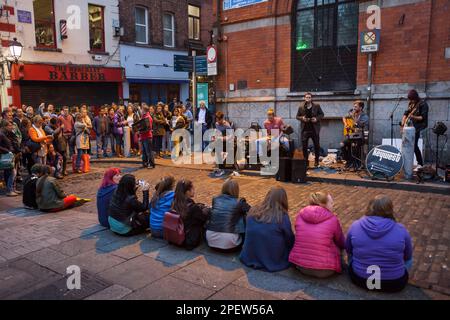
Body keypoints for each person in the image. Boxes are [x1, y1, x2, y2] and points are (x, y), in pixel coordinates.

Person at [346, 195, 413, 293]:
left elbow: (348, 249)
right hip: (394, 283)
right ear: (390, 210)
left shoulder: (355, 225)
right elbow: (408, 256)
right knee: (410, 259)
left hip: (360, 279)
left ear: (369, 208)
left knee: (352, 254)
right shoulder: (401, 229)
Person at [289, 192, 345, 278]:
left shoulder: (300, 215)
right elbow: (340, 241)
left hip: (301, 266)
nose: (333, 205)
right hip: (325, 270)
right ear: (323, 204)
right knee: (339, 248)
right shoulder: (333, 219)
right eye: (331, 203)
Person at [239, 187, 294, 272]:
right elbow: (289, 238)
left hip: (249, 255)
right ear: (283, 200)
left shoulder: (253, 210)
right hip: (272, 259)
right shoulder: (281, 216)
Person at [206, 179, 250, 252]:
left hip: (211, 242)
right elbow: (252, 211)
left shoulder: (215, 199)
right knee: (244, 215)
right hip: (230, 244)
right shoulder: (240, 202)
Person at [171, 180, 210, 250]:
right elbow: (203, 218)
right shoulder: (193, 207)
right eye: (192, 189)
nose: (194, 190)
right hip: (188, 241)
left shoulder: (174, 203)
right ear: (187, 192)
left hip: (175, 238)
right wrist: (207, 209)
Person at [401, 89, 428, 168]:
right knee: (407, 145)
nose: (411, 101)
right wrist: (403, 123)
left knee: (414, 145)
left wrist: (413, 116)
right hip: (409, 127)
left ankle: (420, 164)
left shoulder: (423, 104)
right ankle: (406, 163)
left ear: (415, 98)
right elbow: (406, 113)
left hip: (418, 127)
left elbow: (422, 118)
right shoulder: (411, 103)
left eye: (412, 99)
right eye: (410, 100)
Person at [296, 92, 324, 167]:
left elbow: (322, 114)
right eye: (307, 97)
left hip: (314, 129)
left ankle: (316, 161)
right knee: (304, 146)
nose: (308, 98)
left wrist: (316, 119)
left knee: (317, 146)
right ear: (304, 98)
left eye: (309, 97)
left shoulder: (317, 106)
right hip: (305, 129)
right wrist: (302, 118)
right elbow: (297, 116)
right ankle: (306, 161)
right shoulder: (301, 106)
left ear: (311, 98)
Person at [341, 100, 369, 169]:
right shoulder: (353, 114)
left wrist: (353, 118)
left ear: (361, 108)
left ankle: (357, 164)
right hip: (352, 136)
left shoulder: (364, 117)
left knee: (354, 145)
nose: (354, 108)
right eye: (354, 106)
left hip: (361, 137)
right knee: (342, 144)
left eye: (356, 107)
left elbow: (359, 125)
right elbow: (344, 117)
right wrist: (346, 124)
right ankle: (348, 161)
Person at [0, 120, 21, 196]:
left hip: (9, 155)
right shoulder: (1, 134)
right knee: (12, 172)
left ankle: (12, 189)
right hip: (5, 155)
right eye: (9, 125)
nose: (11, 127)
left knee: (11, 172)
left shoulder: (7, 133)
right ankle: (9, 190)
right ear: (4, 126)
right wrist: (8, 151)